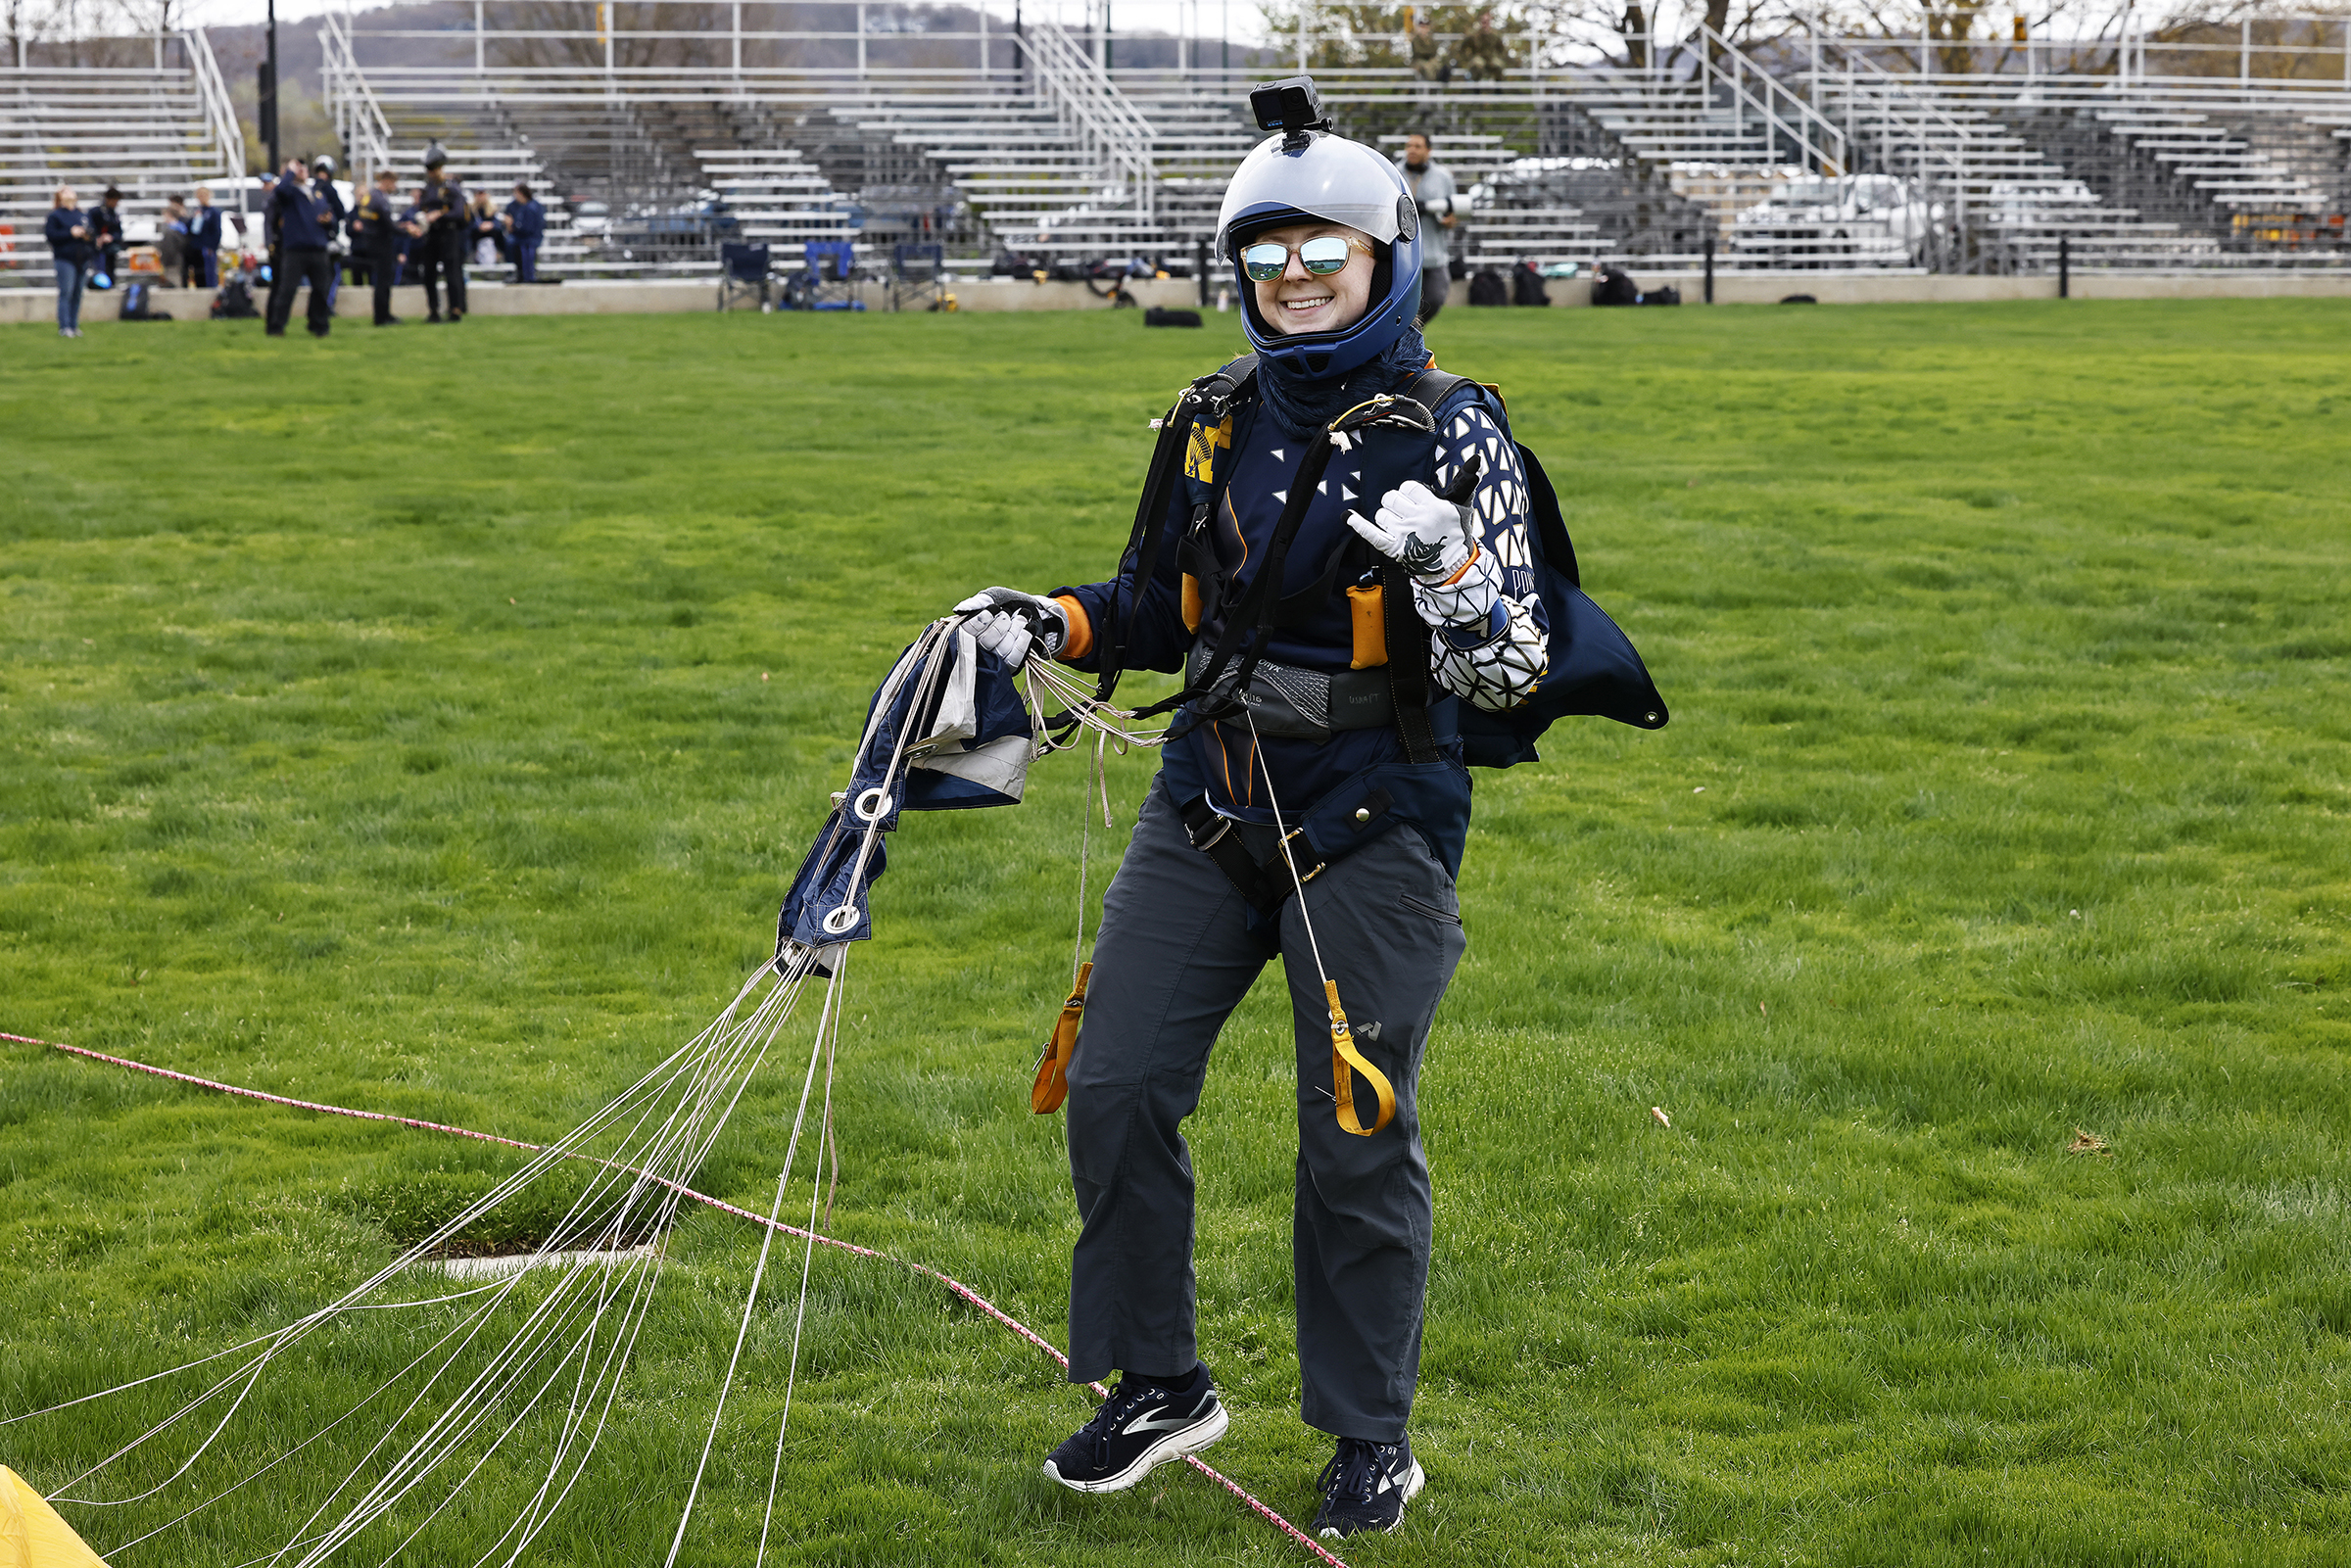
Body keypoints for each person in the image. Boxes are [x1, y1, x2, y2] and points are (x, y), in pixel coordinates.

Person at [951, 85, 1547, 1541]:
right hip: (1209, 794)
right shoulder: (1211, 417)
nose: (1294, 281)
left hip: (1378, 813)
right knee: (1115, 1083)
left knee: (1354, 1129)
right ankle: (1159, 1383)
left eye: (1322, 253)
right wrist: (1053, 623)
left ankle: (1369, 1435)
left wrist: (1455, 576)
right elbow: (1158, 603)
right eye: (1267, 256)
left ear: (1384, 258)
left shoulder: (1456, 432)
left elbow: (1514, 667)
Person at [264, 158, 339, 338]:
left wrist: (329, 221)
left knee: (321, 289)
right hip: (295, 250)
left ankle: (318, 324)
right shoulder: (289, 193)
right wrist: (289, 172)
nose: (301, 171)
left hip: (318, 248)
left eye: (303, 169)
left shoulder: (316, 194)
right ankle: (276, 326)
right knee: (287, 289)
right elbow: (280, 190)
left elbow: (332, 216)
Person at [1396, 133, 1459, 323]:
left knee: (1435, 298)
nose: (1412, 150)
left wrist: (1443, 217)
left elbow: (1453, 215)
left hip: (1433, 255)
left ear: (1428, 151)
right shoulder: (1394, 171)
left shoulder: (1443, 177)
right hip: (1401, 255)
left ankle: (1411, 331)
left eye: (1417, 146)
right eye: (1409, 146)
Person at [414, 146, 467, 322]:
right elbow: (422, 207)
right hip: (431, 235)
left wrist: (440, 214)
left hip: (448, 233)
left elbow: (460, 213)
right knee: (429, 273)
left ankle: (455, 309)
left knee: (451, 272)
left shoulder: (451, 188)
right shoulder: (428, 188)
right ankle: (433, 310)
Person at [350, 168, 408, 325]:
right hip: (381, 244)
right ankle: (383, 316)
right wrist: (407, 230)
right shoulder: (380, 199)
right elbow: (388, 225)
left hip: (372, 242)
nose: (394, 187)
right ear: (387, 181)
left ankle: (382, 315)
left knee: (381, 281)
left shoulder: (370, 197)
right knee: (384, 281)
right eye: (393, 183)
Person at [44, 185, 94, 337]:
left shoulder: (81, 215)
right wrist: (70, 233)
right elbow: (51, 236)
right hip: (65, 259)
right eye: (65, 191)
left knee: (78, 293)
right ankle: (64, 326)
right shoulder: (55, 216)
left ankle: (74, 325)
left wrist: (86, 235)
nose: (69, 192)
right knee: (66, 292)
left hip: (81, 258)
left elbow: (92, 233)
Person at [504, 182, 546, 283]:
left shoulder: (532, 207)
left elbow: (528, 227)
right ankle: (521, 274)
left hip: (528, 238)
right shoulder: (515, 206)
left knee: (527, 255)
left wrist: (513, 226)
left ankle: (528, 276)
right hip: (521, 237)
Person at [88, 186, 125, 286]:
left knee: (110, 270)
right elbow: (89, 227)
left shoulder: (114, 214)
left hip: (109, 250)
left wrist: (111, 237)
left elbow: (119, 232)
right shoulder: (95, 212)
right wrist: (97, 238)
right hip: (96, 249)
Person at [190, 185, 223, 288]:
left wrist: (212, 246)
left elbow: (216, 231)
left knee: (209, 273)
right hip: (197, 247)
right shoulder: (197, 212)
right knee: (199, 273)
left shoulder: (213, 212)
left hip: (207, 247)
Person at [159, 195, 191, 287]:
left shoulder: (172, 231)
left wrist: (165, 261)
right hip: (178, 261)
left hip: (172, 263)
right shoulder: (181, 228)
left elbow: (170, 248)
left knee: (174, 283)